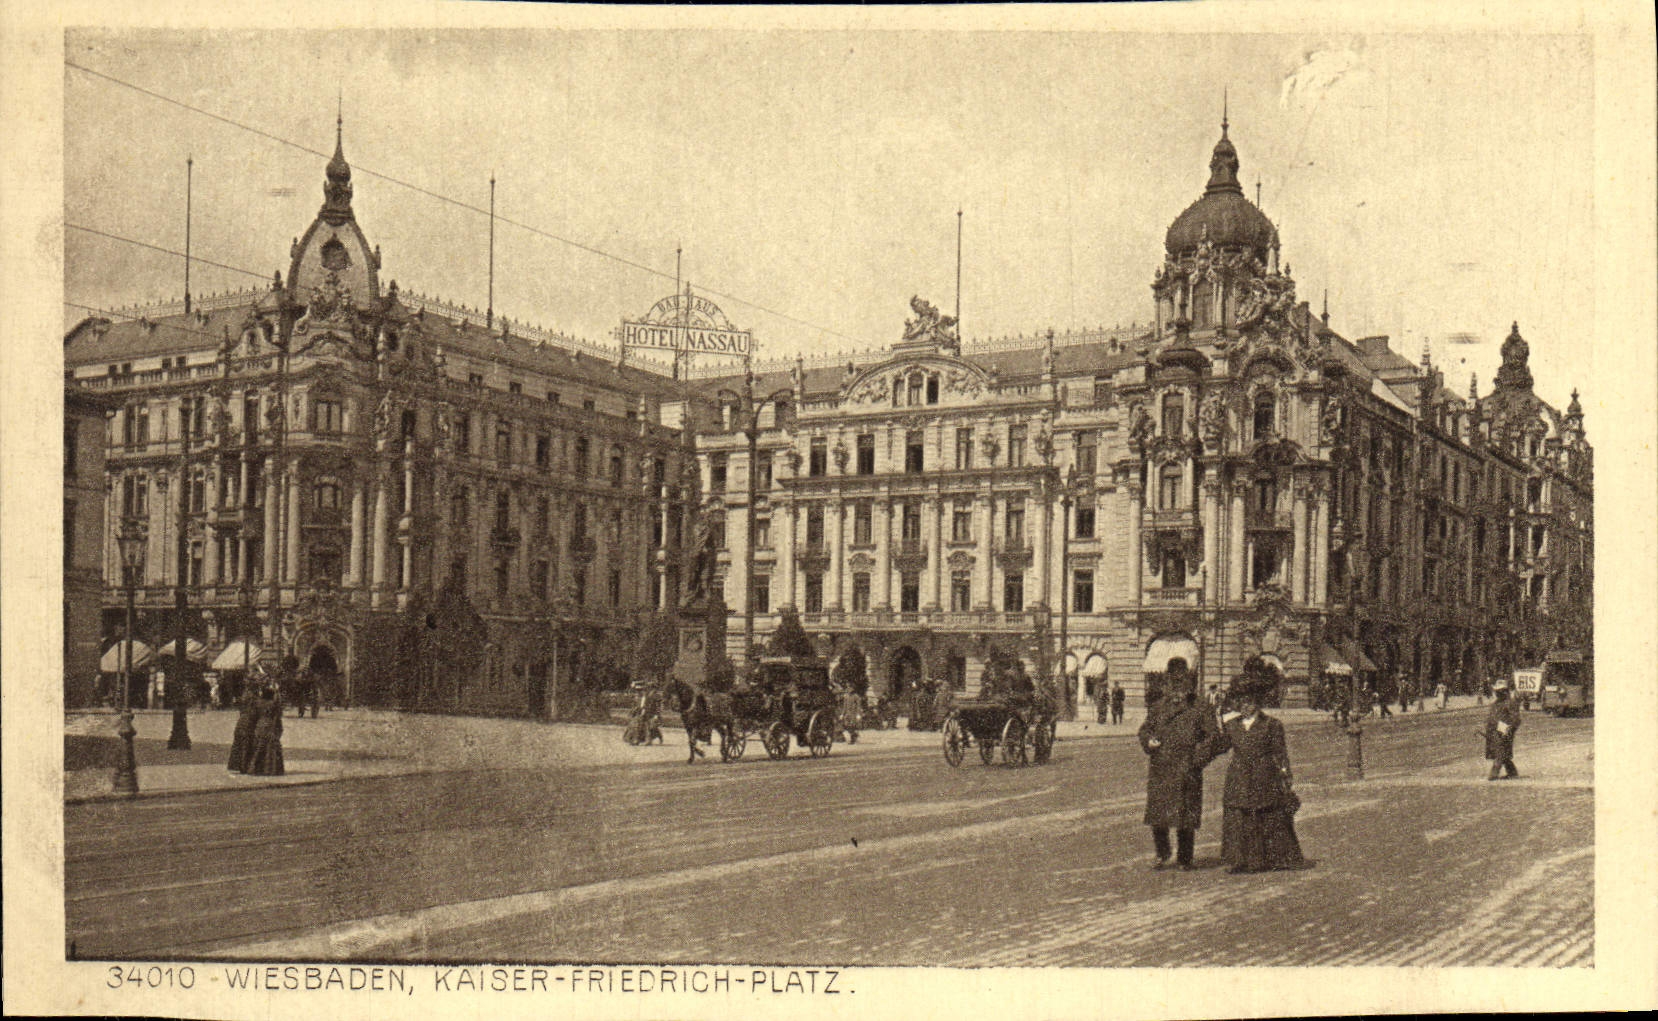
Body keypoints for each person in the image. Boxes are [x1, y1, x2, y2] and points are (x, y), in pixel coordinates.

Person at [1212, 675, 1306, 874]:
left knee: (1265, 815)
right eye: (1242, 702)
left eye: (1250, 702)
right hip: (1238, 777)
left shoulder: (1272, 725)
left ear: (1257, 703)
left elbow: (1280, 753)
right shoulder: (1232, 725)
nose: (1245, 707)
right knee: (1239, 817)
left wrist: (1285, 775)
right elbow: (1219, 746)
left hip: (1264, 776)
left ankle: (1265, 860)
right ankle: (1238, 860)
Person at [1136, 665, 1220, 871]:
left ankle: (1185, 858)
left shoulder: (1201, 707)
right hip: (1161, 768)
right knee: (1159, 816)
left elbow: (1213, 737)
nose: (1177, 689)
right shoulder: (1158, 707)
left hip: (1186, 769)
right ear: (1167, 684)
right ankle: (1162, 853)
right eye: (1173, 683)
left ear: (1190, 684)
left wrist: (1196, 760)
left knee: (1185, 817)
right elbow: (1144, 730)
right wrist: (1148, 741)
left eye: (1181, 682)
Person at [243, 683, 286, 776]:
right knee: (271, 748)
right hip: (270, 725)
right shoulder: (273, 704)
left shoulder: (258, 703)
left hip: (260, 725)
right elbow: (278, 715)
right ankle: (271, 769)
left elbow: (253, 715)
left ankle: (255, 768)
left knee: (258, 746)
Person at [1484, 680, 1522, 780]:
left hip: (1504, 731)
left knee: (1500, 752)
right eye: (1496, 691)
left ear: (1505, 691)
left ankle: (1494, 773)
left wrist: (1509, 729)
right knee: (1502, 752)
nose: (1497, 693)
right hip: (1493, 731)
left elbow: (1516, 719)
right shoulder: (1496, 702)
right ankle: (1513, 773)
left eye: (1499, 691)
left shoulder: (1510, 703)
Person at [226, 681, 262, 773]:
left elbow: (241, 709)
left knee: (239, 744)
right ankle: (244, 767)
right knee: (247, 744)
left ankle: (237, 766)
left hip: (241, 721)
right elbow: (255, 712)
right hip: (249, 723)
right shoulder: (255, 699)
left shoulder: (244, 696)